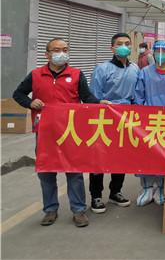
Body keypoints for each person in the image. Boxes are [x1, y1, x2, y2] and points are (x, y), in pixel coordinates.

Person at [12, 38, 108, 227]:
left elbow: (86, 97)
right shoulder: (36, 75)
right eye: (56, 50)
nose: (61, 53)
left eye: (65, 49)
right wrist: (30, 103)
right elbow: (18, 94)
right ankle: (50, 210)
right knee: (46, 171)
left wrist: (99, 103)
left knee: (74, 171)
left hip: (70, 131)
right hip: (45, 132)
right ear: (47, 54)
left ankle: (78, 210)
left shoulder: (76, 74)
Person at [88, 33, 139, 214]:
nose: (124, 46)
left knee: (121, 157)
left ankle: (115, 191)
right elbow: (93, 96)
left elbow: (137, 94)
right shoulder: (102, 69)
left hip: (126, 118)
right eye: (119, 44)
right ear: (112, 48)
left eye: (127, 43)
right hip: (104, 118)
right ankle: (96, 195)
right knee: (99, 157)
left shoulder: (135, 69)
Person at [134, 40, 165, 206]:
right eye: (158, 50)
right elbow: (139, 95)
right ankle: (147, 187)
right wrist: (142, 114)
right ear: (153, 53)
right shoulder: (145, 72)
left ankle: (161, 187)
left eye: (164, 51)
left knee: (164, 155)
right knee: (146, 154)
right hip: (148, 121)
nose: (161, 54)